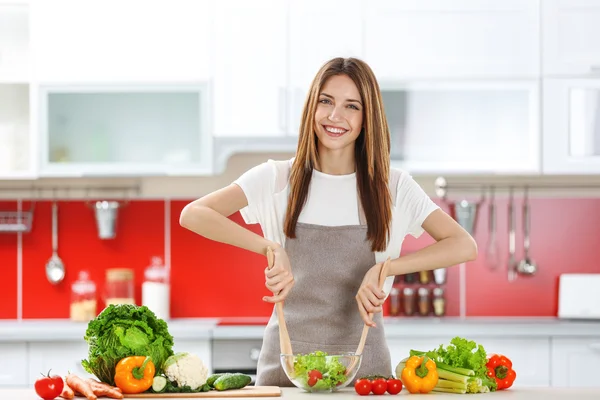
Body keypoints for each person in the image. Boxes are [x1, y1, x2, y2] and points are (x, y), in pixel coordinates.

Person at [179, 57, 477, 386]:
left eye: (352, 106)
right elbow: (194, 214)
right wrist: (268, 246)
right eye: (326, 101)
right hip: (285, 372)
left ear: (368, 118)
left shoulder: (393, 186)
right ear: (312, 107)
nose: (335, 117)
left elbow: (463, 245)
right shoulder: (277, 179)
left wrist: (385, 268)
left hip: (366, 374)